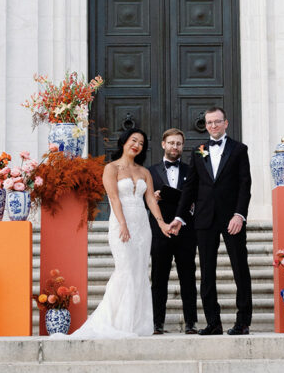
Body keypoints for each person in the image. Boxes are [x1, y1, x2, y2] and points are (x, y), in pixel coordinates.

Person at [66, 129, 172, 339]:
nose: (137, 145)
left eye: (141, 142)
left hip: (142, 225)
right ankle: (117, 322)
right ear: (124, 142)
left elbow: (150, 199)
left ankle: (137, 324)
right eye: (133, 140)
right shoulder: (111, 168)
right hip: (121, 223)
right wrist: (123, 224)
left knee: (140, 271)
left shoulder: (144, 172)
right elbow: (114, 198)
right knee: (125, 270)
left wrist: (162, 224)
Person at [170, 106, 252, 335]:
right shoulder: (199, 151)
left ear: (226, 123)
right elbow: (189, 188)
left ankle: (243, 321)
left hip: (231, 218)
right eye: (209, 123)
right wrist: (179, 215)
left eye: (217, 122)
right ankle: (213, 322)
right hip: (204, 219)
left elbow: (245, 185)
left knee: (239, 268)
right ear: (205, 125)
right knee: (207, 271)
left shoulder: (239, 149)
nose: (213, 126)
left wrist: (240, 214)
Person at [148, 128, 198, 335]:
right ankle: (156, 323)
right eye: (171, 143)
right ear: (163, 144)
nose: (174, 147)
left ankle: (191, 323)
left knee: (188, 279)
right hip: (160, 232)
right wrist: (154, 198)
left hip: (186, 232)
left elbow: (197, 199)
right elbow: (144, 200)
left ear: (182, 146)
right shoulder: (150, 171)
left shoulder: (191, 170)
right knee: (159, 279)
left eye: (178, 144)